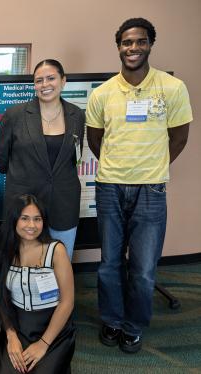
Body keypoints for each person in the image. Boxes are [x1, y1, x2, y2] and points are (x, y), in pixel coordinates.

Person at [86, 18, 192, 353]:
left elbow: (179, 137)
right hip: (110, 188)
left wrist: (151, 168)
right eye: (127, 42)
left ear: (150, 45)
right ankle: (113, 321)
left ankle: (133, 327)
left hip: (151, 190)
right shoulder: (103, 94)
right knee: (109, 263)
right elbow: (94, 140)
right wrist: (122, 167)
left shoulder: (172, 88)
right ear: (118, 46)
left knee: (144, 269)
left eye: (140, 42)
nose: (133, 48)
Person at [0, 60, 85, 260]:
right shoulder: (15, 115)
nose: (45, 85)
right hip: (25, 201)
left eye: (51, 78)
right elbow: (1, 158)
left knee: (60, 260)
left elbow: (74, 157)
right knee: (21, 261)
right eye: (39, 80)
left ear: (63, 81)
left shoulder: (77, 115)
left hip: (64, 201)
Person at [0, 194, 75, 373]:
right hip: (18, 328)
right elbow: (2, 297)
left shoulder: (56, 250)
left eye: (37, 219)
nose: (31, 225)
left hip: (53, 330)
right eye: (24, 218)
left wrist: (43, 344)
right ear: (14, 220)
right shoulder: (5, 251)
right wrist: (10, 334)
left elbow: (67, 302)